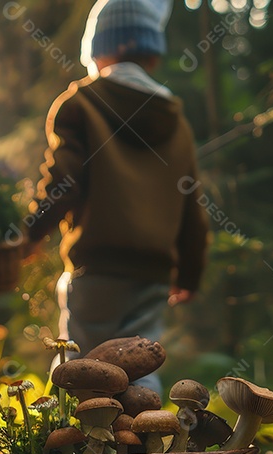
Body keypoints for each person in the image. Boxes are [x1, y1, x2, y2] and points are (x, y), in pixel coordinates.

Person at [24, 0, 209, 393]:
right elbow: (192, 205)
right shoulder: (177, 122)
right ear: (152, 54)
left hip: (97, 265)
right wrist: (190, 272)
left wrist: (31, 232)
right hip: (154, 274)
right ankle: (142, 449)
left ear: (98, 48)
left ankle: (74, 452)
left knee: (79, 366)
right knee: (142, 368)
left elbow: (64, 183)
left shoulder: (80, 103)